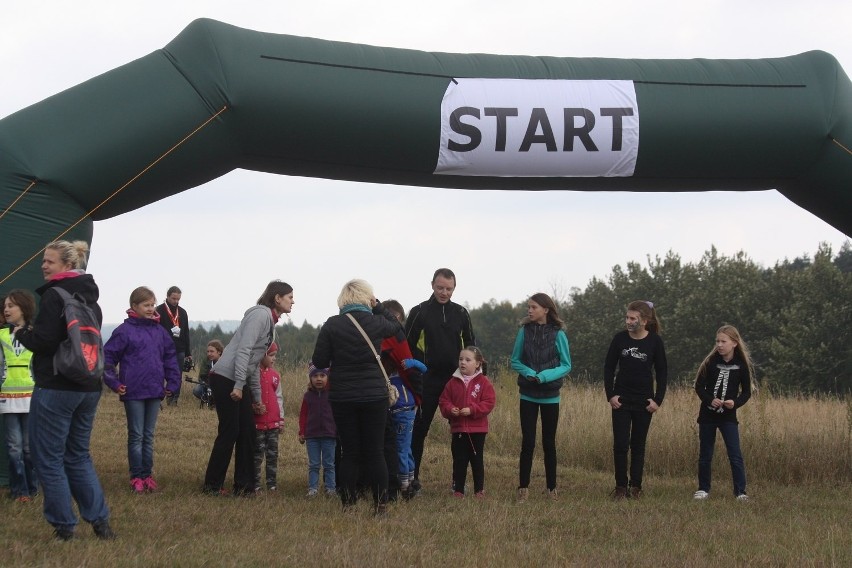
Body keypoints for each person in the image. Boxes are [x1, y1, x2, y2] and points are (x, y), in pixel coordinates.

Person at [14, 240, 115, 540]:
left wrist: (22, 332)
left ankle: (64, 526)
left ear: (67, 265)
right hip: (88, 386)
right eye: (44, 260)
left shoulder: (54, 297)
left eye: (50, 261)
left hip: (57, 386)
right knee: (78, 455)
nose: (44, 265)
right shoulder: (91, 300)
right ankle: (100, 522)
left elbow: (44, 342)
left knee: (49, 457)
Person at [310, 279, 403, 516]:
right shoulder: (376, 322)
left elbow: (319, 361)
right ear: (367, 298)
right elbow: (398, 327)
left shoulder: (332, 325)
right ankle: (380, 505)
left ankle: (349, 504)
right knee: (375, 451)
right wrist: (380, 306)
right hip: (374, 396)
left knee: (349, 452)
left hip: (343, 396)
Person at [203, 280, 293, 497]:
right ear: (277, 298)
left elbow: (252, 363)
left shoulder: (269, 321)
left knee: (248, 433)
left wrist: (256, 398)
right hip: (226, 378)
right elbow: (243, 351)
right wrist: (238, 385)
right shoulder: (260, 315)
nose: (293, 301)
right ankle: (212, 486)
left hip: (236, 379)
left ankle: (244, 487)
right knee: (230, 431)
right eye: (289, 297)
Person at [102, 286, 182, 494]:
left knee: (148, 435)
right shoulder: (124, 331)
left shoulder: (160, 332)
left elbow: (170, 359)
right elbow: (107, 358)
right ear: (134, 306)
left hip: (155, 391)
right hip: (133, 392)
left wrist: (173, 384)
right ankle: (136, 476)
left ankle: (148, 475)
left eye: (152, 304)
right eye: (146, 305)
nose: (150, 308)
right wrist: (114, 382)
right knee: (136, 435)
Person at [405, 268, 476, 495]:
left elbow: (472, 346)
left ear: (454, 288)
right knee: (419, 429)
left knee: (459, 431)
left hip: (455, 380)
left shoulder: (462, 313)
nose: (444, 292)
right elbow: (406, 346)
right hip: (426, 381)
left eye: (449, 289)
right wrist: (414, 372)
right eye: (440, 288)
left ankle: (458, 481)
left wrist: (474, 377)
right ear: (432, 285)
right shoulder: (420, 312)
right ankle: (412, 479)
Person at [510, 293, 572, 502]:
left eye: (533, 307)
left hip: (550, 396)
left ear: (545, 309)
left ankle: (551, 489)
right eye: (528, 307)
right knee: (527, 442)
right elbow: (515, 360)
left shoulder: (558, 334)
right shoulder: (524, 331)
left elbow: (566, 364)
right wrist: (529, 373)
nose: (529, 310)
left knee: (549, 443)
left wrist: (544, 376)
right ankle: (523, 488)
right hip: (527, 394)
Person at [603, 300, 668, 500]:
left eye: (633, 318)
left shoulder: (655, 341)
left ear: (645, 320)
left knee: (638, 445)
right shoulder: (619, 339)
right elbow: (608, 368)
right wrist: (611, 395)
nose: (628, 321)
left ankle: (636, 487)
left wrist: (657, 400)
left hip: (644, 402)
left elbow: (662, 371)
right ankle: (621, 487)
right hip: (621, 400)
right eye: (627, 317)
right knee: (620, 444)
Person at [693, 325, 754, 501]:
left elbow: (746, 392)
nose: (719, 345)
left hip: (728, 417)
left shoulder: (741, 366)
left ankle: (740, 492)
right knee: (705, 454)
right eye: (717, 341)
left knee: (735, 454)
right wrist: (709, 399)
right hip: (707, 416)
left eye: (723, 341)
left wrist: (734, 403)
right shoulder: (710, 363)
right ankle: (703, 488)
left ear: (734, 343)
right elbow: (699, 387)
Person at [380, 299, 425, 499]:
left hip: (405, 408)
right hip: (397, 408)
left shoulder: (402, 352)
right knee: (401, 447)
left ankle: (406, 485)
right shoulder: (387, 351)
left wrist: (413, 362)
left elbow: (422, 371)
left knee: (402, 448)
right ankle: (407, 481)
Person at [438, 346, 496, 499]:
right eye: (461, 359)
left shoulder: (483, 382)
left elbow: (489, 402)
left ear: (477, 364)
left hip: (478, 429)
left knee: (477, 460)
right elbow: (444, 401)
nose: (463, 362)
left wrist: (472, 410)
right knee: (459, 460)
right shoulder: (452, 382)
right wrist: (451, 410)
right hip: (458, 429)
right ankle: (458, 490)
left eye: (467, 360)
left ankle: (479, 490)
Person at [0, 290, 39, 502]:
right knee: (14, 447)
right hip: (7, 399)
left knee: (28, 448)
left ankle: (33, 488)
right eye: (5, 306)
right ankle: (19, 491)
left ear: (23, 309)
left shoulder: (35, 335)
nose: (6, 309)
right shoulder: (1, 335)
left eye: (11, 306)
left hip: (32, 398)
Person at [298, 365, 336, 497]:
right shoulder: (308, 396)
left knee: (329, 464)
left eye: (322, 375)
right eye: (315, 376)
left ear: (328, 377)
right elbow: (303, 415)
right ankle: (313, 489)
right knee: (314, 464)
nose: (318, 379)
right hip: (312, 435)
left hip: (329, 434)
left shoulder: (332, 395)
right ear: (310, 378)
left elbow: (337, 414)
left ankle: (330, 488)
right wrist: (302, 432)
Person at [253, 343, 284, 492]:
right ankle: (256, 483)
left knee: (272, 455)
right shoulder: (253, 374)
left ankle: (271, 484)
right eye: (271, 355)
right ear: (262, 354)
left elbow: (279, 398)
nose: (274, 359)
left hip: (273, 424)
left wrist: (281, 420)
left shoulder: (275, 376)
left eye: (275, 356)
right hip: (257, 424)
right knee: (257, 455)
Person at [156, 286, 191, 406]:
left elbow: (186, 332)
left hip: (179, 349)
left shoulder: (182, 312)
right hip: (162, 349)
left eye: (178, 299)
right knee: (159, 373)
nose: (175, 301)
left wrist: (188, 352)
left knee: (176, 375)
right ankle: (157, 398)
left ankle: (173, 400)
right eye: (173, 298)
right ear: (168, 296)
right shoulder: (158, 311)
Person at [192, 340, 224, 404]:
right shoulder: (206, 360)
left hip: (223, 386)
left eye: (212, 351)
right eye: (208, 351)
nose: (209, 354)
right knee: (197, 390)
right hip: (208, 385)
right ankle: (210, 401)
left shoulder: (226, 361)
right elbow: (202, 376)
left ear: (219, 352)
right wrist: (208, 384)